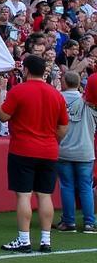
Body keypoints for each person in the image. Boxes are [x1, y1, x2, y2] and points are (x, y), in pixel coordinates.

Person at [0, 54, 70, 252]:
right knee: (45, 196)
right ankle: (46, 240)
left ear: (26, 70)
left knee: (24, 196)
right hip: (48, 150)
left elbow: (3, 115)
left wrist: (0, 92)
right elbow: (63, 126)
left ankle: (24, 239)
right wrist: (52, 140)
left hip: (23, 149)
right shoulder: (56, 94)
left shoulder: (19, 91)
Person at [55, 69, 97, 233]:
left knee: (67, 186)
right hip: (85, 151)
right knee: (85, 187)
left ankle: (68, 222)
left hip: (63, 150)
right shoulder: (90, 104)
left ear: (64, 82)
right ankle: (89, 223)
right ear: (79, 84)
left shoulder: (57, 99)